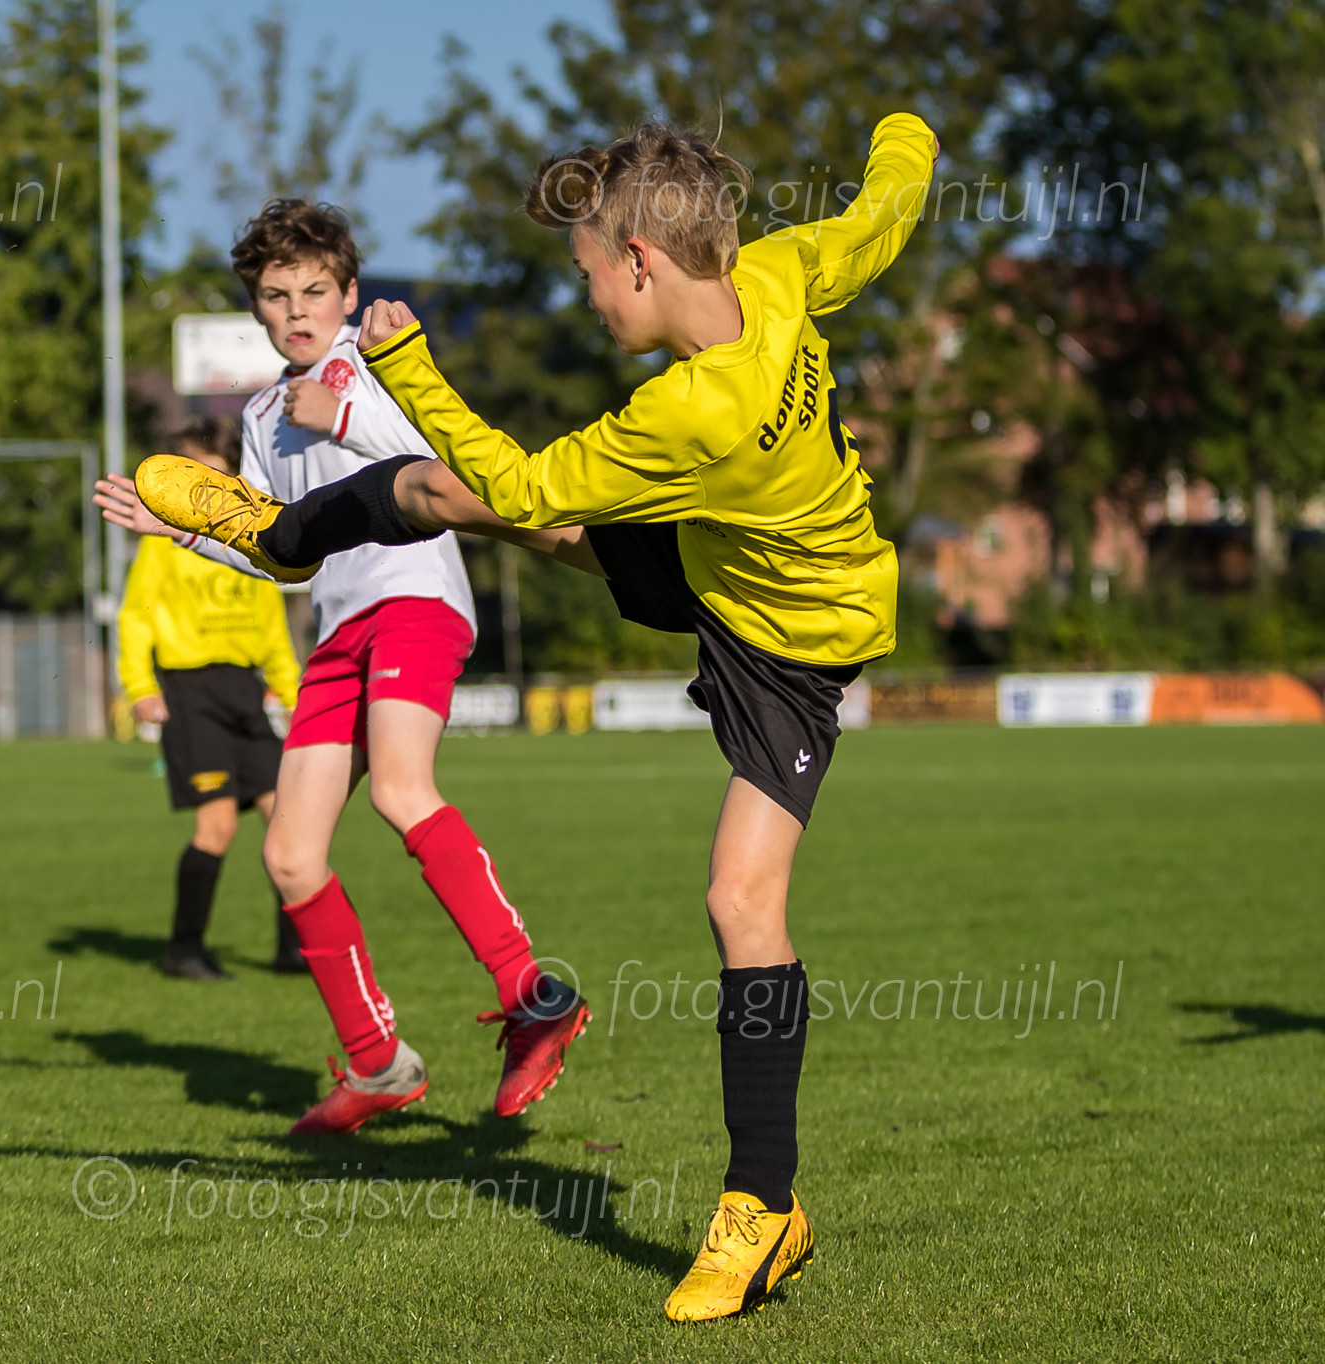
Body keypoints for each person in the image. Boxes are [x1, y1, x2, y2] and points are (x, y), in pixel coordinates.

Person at [131, 115, 938, 1321]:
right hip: (723, 554)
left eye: (584, 271)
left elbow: (516, 483)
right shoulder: (772, 272)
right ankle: (281, 533)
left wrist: (411, 371)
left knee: (738, 898)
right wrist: (905, 141)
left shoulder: (692, 413)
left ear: (639, 262)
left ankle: (761, 1206)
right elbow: (878, 222)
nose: (586, 297)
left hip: (794, 641)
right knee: (452, 494)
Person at [96, 199, 590, 1137]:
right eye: (276, 296)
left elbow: (444, 473)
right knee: (289, 855)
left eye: (315, 291)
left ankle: (534, 995)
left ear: (350, 294)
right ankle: (377, 1062)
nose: (297, 311)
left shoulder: (379, 365)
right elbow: (281, 553)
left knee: (402, 790)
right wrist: (187, 528)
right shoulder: (259, 416)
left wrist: (347, 413)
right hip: (336, 633)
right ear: (256, 307)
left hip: (414, 600)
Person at [116, 417, 303, 980]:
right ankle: (184, 950)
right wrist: (140, 686)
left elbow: (271, 625)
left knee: (289, 823)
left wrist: (293, 690)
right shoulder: (164, 543)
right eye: (191, 474)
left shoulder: (244, 535)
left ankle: (295, 950)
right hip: (191, 691)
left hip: (246, 690)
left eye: (214, 474)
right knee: (217, 827)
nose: (203, 485)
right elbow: (136, 615)